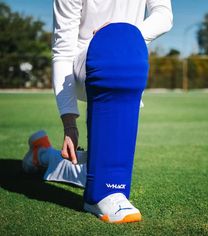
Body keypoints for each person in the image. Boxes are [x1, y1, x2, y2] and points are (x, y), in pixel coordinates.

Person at [23, 0, 173, 223]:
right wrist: (69, 123)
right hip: (84, 62)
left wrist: (122, 36)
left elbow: (163, 15)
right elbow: (63, 51)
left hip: (126, 57)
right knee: (103, 174)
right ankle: (103, 194)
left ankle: (42, 154)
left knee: (93, 169)